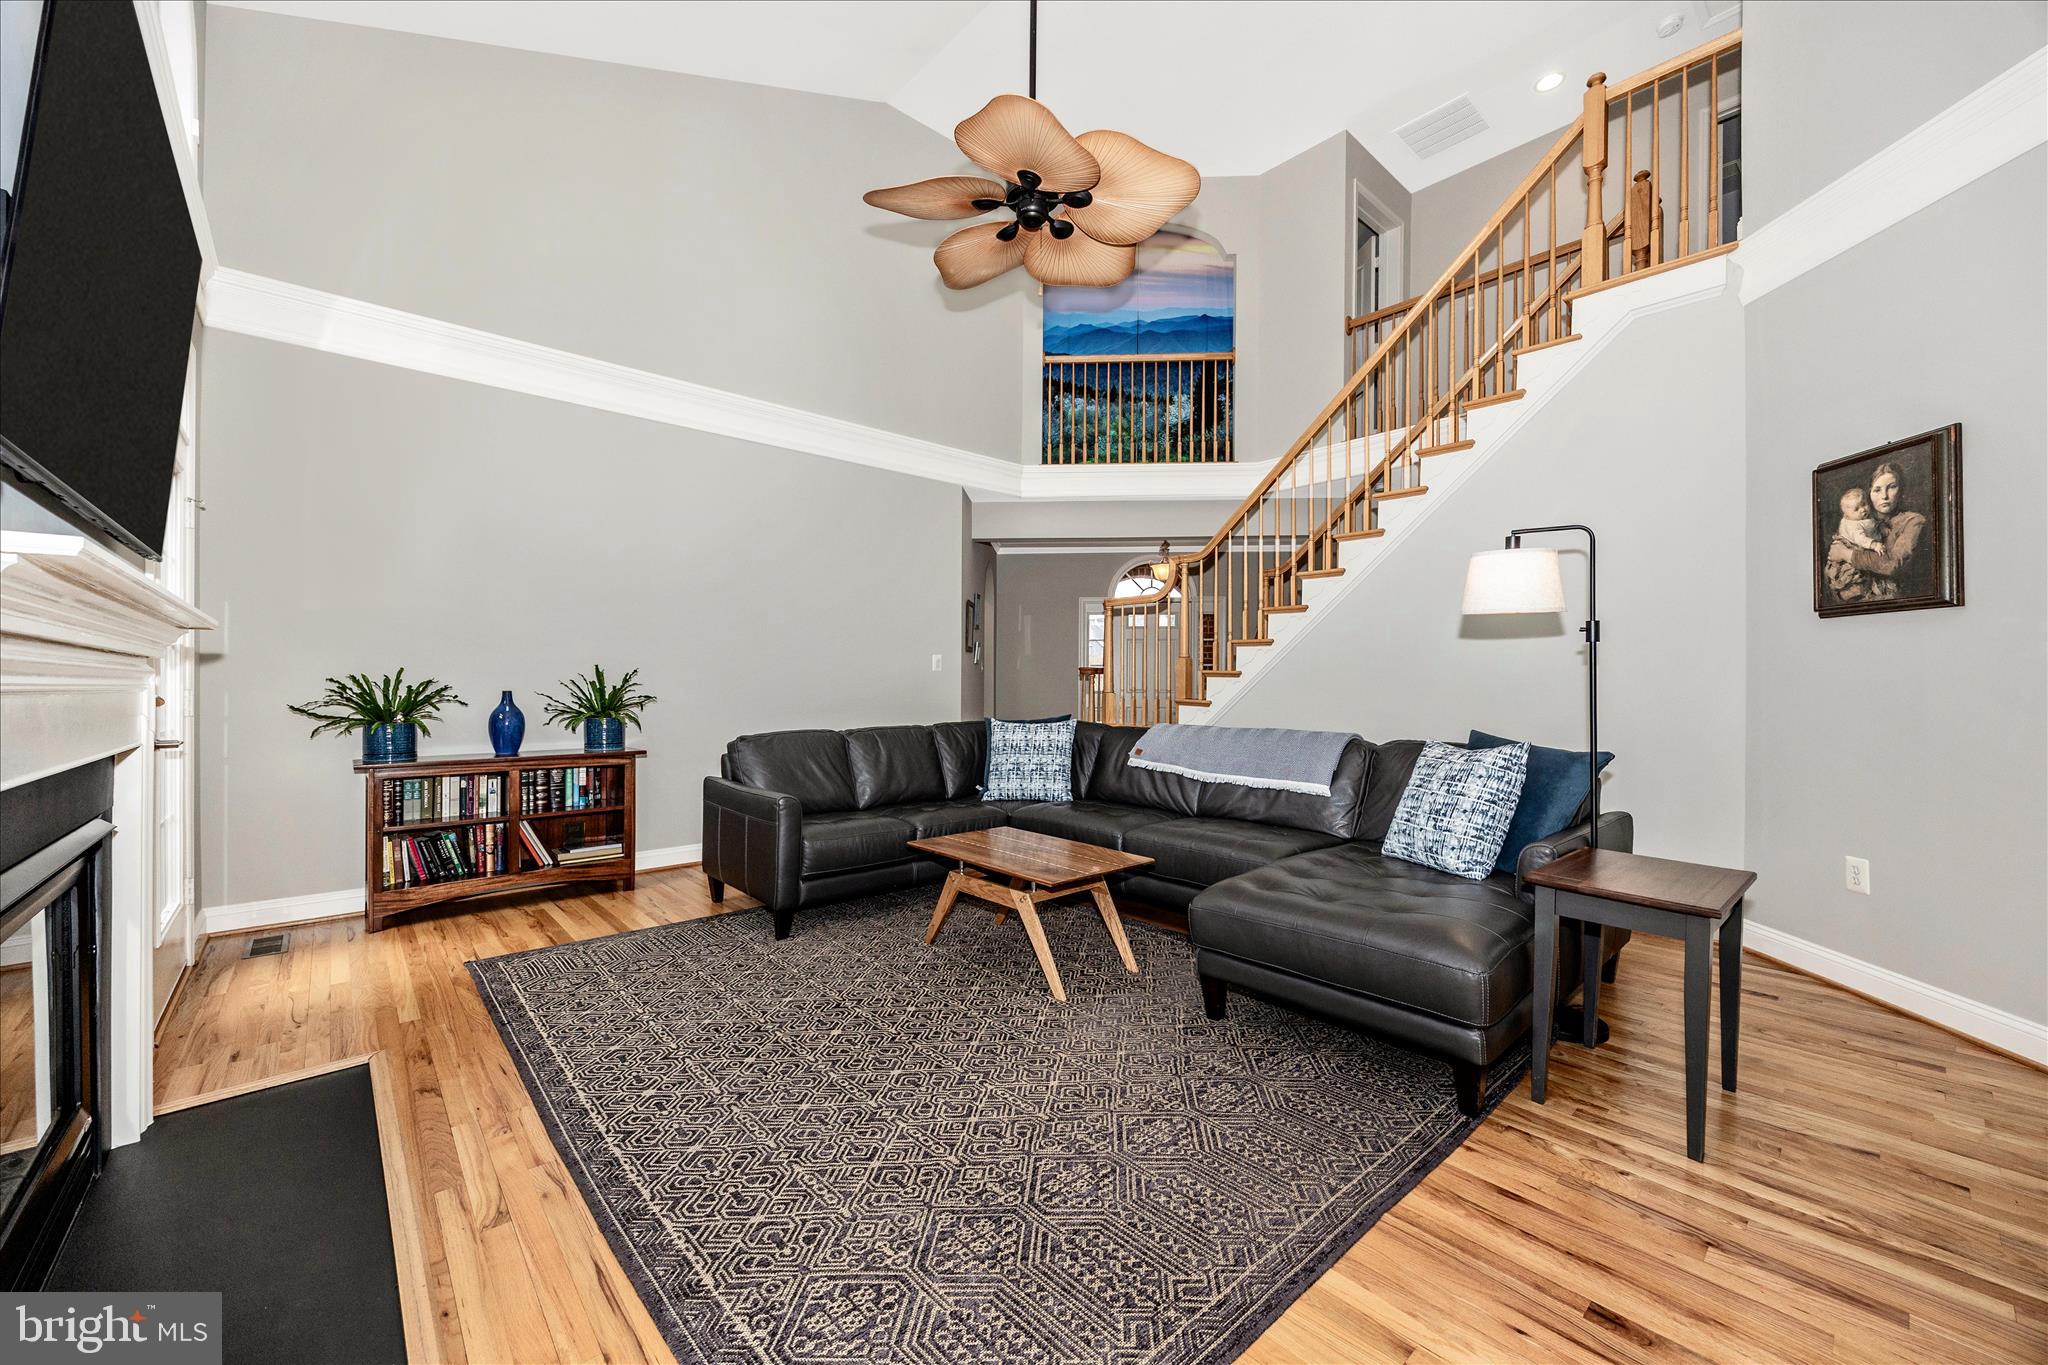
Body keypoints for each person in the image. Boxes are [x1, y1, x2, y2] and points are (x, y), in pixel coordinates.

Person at [1826, 461, 1927, 601]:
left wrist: (1846, 554)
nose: (1884, 496)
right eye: (1877, 490)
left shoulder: (1913, 521)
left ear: (1901, 490)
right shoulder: (1856, 521)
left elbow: (1893, 564)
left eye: (1892, 487)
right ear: (1869, 493)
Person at [1823, 486, 1892, 602]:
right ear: (1847, 514)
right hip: (1853, 549)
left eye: (1864, 504)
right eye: (1856, 509)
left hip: (1860, 550)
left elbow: (1874, 525)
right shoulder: (1853, 525)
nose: (1863, 510)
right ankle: (1853, 593)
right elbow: (1860, 539)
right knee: (1854, 575)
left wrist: (1883, 528)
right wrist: (1874, 545)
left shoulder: (1863, 517)